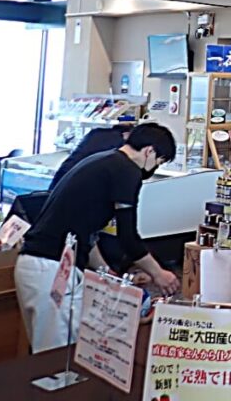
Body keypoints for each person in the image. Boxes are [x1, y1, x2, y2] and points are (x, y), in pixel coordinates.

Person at [15, 123, 181, 353]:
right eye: (159, 161)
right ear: (149, 151)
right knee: (56, 356)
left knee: (54, 351)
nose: (154, 168)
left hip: (40, 266)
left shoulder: (103, 161)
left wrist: (108, 273)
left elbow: (85, 232)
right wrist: (159, 274)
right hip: (51, 268)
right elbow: (129, 238)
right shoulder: (127, 170)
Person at [50, 124, 133, 191]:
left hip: (58, 185)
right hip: (76, 190)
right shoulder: (116, 144)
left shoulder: (95, 134)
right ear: (126, 134)